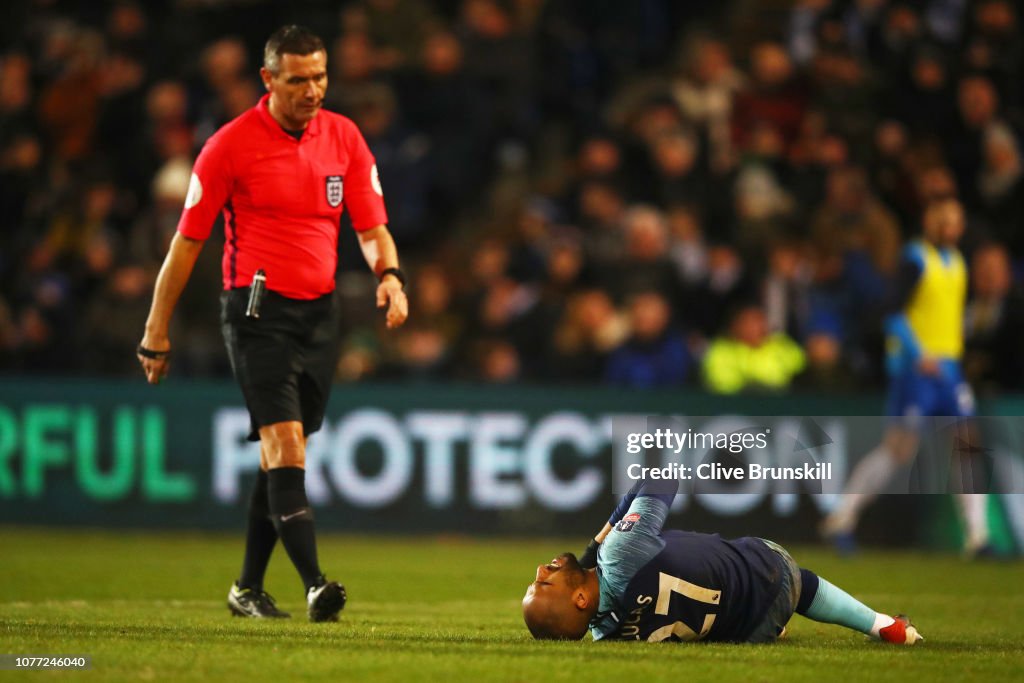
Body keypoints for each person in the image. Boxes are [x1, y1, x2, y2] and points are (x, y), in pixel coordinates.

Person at [136, 26, 409, 622]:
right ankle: (315, 584)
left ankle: (246, 589)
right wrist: (156, 329)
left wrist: (390, 275)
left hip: (321, 314)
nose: (312, 90)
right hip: (255, 311)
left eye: (320, 77)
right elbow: (184, 246)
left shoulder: (344, 137)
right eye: (298, 79)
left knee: (281, 453)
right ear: (268, 80)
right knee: (285, 445)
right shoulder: (228, 147)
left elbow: (369, 226)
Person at [521, 478, 923, 644]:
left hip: (748, 633)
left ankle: (777, 623)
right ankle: (882, 625)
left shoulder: (607, 635)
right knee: (792, 576)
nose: (542, 570)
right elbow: (661, 478)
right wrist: (597, 544)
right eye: (544, 584)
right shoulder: (619, 553)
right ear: (578, 600)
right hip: (767, 572)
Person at [820, 197, 989, 556]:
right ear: (930, 222)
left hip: (949, 368)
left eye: (956, 221)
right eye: (944, 220)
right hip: (918, 370)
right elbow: (891, 312)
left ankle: (978, 536)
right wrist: (917, 353)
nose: (950, 227)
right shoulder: (916, 259)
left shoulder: (957, 262)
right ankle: (842, 515)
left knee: (966, 445)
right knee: (899, 449)